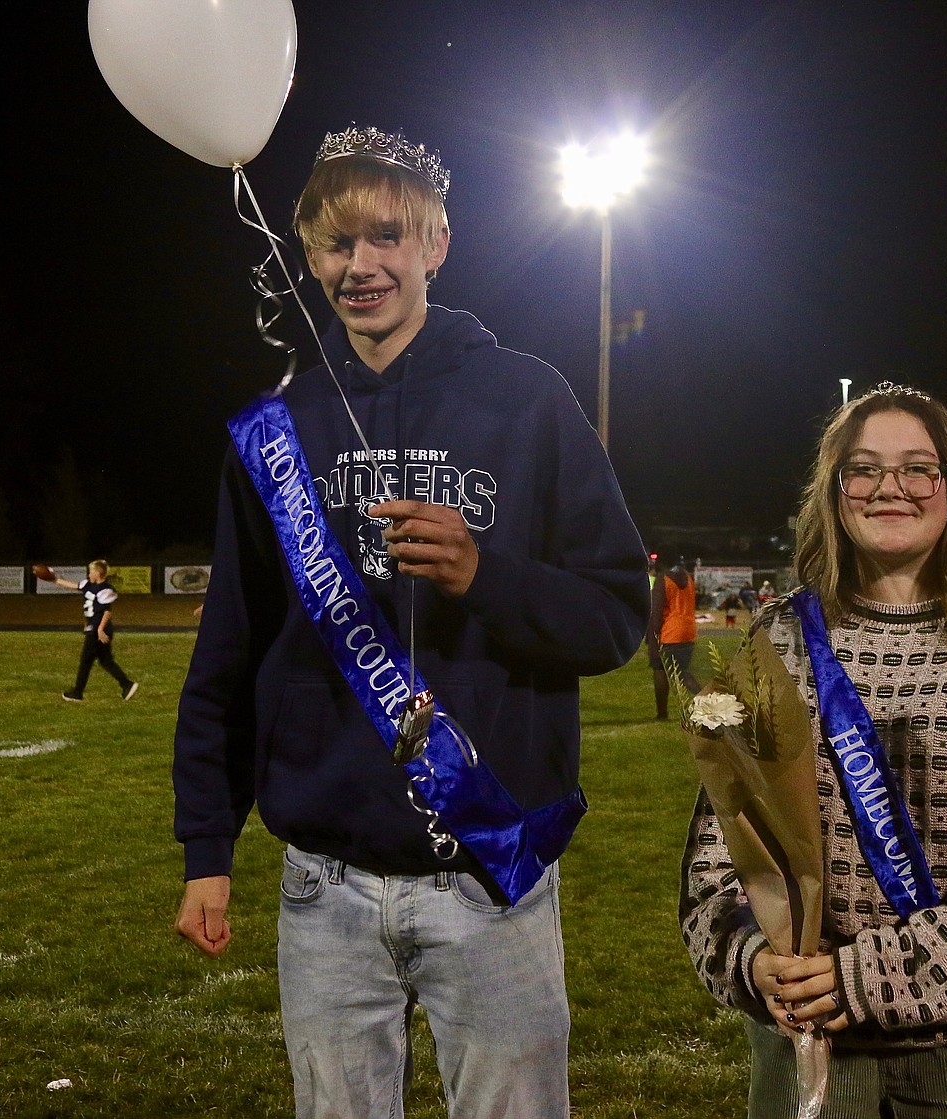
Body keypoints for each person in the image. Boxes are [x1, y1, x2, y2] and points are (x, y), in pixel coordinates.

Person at [172, 124, 649, 1119]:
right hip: (324, 888)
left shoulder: (529, 399)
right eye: (337, 246)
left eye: (387, 237)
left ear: (434, 244)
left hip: (492, 875)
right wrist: (207, 849)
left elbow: (614, 618)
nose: (362, 265)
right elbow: (229, 650)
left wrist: (484, 572)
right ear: (307, 258)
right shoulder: (279, 429)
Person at [679, 382, 947, 1118]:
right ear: (835, 491)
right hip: (808, 1034)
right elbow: (719, 845)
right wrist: (751, 961)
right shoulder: (776, 636)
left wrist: (869, 976)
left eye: (916, 468)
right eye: (863, 469)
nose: (888, 488)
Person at [54, 559, 139, 702]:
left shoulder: (106, 589)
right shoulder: (88, 585)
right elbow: (72, 585)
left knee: (85, 661)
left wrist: (100, 629)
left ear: (98, 573)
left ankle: (77, 692)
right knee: (106, 661)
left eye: (91, 571)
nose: (89, 574)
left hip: (99, 629)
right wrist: (54, 579)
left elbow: (107, 611)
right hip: (94, 627)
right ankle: (127, 684)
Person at [646, 553, 700, 719]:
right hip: (688, 631)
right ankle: (708, 702)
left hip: (670, 632)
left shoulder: (664, 579)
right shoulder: (689, 577)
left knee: (661, 669)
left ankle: (663, 713)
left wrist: (651, 638)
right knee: (682, 671)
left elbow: (656, 612)